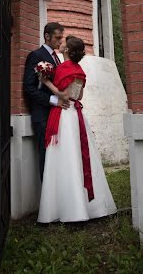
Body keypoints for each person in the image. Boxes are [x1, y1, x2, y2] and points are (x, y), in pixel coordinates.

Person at [37, 36, 117, 223]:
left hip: (64, 116)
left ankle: (68, 208)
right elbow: (77, 95)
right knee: (81, 157)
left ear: (66, 50)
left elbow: (63, 95)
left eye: (64, 42)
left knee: (66, 158)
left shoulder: (63, 69)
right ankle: (92, 207)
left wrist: (46, 81)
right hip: (76, 115)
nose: (61, 43)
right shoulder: (79, 70)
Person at [23, 22, 70, 180]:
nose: (60, 41)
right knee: (46, 156)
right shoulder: (35, 56)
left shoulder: (56, 57)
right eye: (57, 38)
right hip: (42, 116)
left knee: (56, 158)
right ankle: (47, 201)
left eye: (61, 38)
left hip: (55, 115)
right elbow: (29, 88)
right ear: (47, 36)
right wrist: (53, 100)